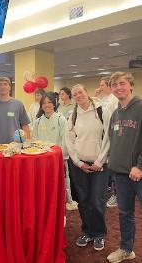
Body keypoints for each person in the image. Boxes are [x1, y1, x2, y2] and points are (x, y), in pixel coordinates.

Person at [65, 84, 111, 251]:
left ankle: (99, 234)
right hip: (80, 165)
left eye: (80, 92)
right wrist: (78, 162)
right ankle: (87, 231)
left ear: (87, 92)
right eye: (75, 94)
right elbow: (69, 140)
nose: (78, 95)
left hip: (100, 165)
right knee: (83, 201)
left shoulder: (102, 111)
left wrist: (100, 161)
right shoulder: (73, 114)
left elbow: (108, 137)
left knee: (97, 201)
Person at [107, 72, 142, 263]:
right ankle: (127, 249)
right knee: (125, 214)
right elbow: (115, 140)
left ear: (130, 85)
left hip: (139, 172)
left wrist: (139, 165)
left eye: (122, 83)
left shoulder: (141, 107)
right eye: (114, 85)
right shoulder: (116, 113)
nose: (118, 87)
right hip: (120, 173)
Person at [96, 76, 119, 208]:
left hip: (112, 133)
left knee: (113, 165)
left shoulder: (114, 99)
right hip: (104, 133)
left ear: (109, 86)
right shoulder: (105, 99)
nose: (100, 87)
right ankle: (109, 188)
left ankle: (116, 194)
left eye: (102, 85)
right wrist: (97, 96)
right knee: (107, 164)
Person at [0, 77, 30, 143]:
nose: (2, 87)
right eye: (0, 85)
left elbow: (25, 126)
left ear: (10, 87)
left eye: (5, 84)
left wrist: (28, 142)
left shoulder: (18, 104)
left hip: (16, 145)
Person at [58, 87, 78, 211]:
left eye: (63, 94)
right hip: (62, 136)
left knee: (70, 169)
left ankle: (72, 197)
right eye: (60, 94)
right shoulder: (59, 107)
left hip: (73, 136)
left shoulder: (74, 106)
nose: (61, 96)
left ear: (68, 95)